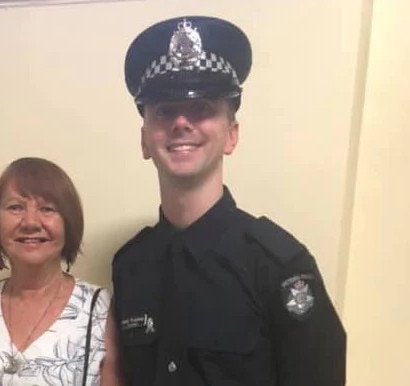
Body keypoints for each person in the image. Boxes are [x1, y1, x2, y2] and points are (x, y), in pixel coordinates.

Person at [112, 16, 346, 386]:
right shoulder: (130, 266)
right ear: (145, 140)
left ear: (231, 136)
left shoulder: (278, 265)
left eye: (202, 108)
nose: (181, 122)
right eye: (164, 111)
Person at [0, 157, 121, 386]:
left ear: (68, 222)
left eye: (47, 209)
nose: (30, 221)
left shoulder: (99, 308)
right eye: (15, 207)